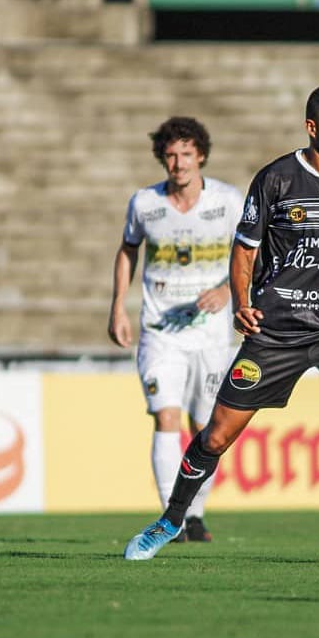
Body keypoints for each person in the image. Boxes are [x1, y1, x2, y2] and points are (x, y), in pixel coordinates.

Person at [123, 84, 319, 562]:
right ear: (313, 128)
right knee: (216, 435)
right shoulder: (277, 178)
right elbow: (244, 248)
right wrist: (241, 303)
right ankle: (170, 521)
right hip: (279, 329)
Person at [108, 116, 244, 544]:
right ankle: (173, 517)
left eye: (186, 154)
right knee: (166, 417)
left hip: (212, 334)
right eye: (170, 154)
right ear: (161, 158)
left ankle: (195, 512)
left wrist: (227, 291)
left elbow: (250, 254)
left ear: (200, 155)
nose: (178, 163)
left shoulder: (227, 201)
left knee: (207, 426)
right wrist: (117, 305)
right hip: (160, 330)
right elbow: (128, 251)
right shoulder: (145, 204)